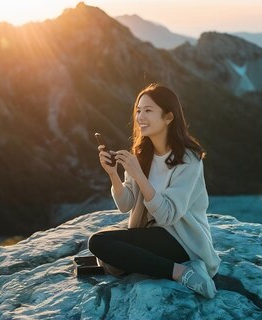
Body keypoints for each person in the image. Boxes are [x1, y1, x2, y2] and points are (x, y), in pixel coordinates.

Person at [88, 83, 221, 299]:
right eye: (138, 110)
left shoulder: (188, 159)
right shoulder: (141, 154)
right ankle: (172, 268)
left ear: (168, 117)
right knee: (99, 242)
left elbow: (167, 215)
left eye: (148, 111)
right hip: (152, 234)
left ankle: (182, 272)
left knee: (100, 245)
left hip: (182, 240)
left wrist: (139, 175)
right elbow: (125, 205)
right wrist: (113, 173)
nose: (140, 117)